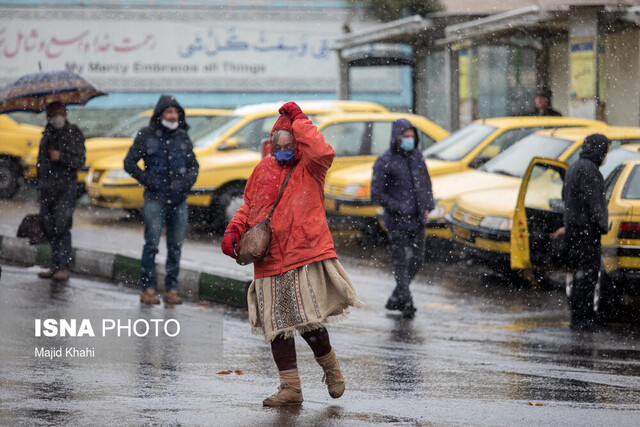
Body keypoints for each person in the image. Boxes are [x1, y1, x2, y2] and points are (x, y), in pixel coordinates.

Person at [221, 102, 359, 407]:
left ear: (297, 144)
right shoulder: (262, 169)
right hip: (268, 258)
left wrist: (299, 119)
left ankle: (331, 369)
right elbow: (249, 207)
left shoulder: (311, 166)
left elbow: (323, 151)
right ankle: (290, 388)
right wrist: (234, 230)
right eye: (278, 145)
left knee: (308, 323)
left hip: (302, 254)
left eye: (289, 144)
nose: (283, 149)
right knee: (277, 327)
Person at [124, 95, 199, 305]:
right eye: (169, 112)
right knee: (152, 244)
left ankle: (171, 289)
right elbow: (129, 163)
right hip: (155, 199)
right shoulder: (146, 135)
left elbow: (194, 166)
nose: (173, 116)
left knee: (175, 245)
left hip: (179, 200)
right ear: (160, 114)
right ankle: (147, 288)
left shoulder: (183, 137)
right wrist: (148, 180)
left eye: (176, 112)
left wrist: (185, 183)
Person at [370, 118, 434, 318]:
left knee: (417, 259)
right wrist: (399, 207)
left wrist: (427, 206)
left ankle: (395, 298)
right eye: (405, 137)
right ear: (396, 138)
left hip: (417, 219)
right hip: (397, 222)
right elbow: (376, 194)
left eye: (411, 136)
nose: (409, 140)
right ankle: (406, 301)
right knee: (401, 263)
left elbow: (425, 184)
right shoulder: (384, 162)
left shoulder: (417, 157)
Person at [551, 133, 611, 329]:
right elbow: (594, 203)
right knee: (588, 275)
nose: (605, 156)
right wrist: (602, 225)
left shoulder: (574, 167)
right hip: (587, 231)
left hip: (575, 229)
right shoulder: (590, 171)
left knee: (580, 274)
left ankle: (580, 317)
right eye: (605, 151)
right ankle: (583, 319)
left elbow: (565, 196)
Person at [36, 102, 86, 282]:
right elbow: (41, 162)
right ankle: (55, 264)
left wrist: (61, 157)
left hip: (65, 188)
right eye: (53, 112)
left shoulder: (73, 133)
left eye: (60, 112)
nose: (57, 116)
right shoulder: (47, 134)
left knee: (62, 226)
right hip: (47, 189)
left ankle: (63, 265)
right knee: (49, 227)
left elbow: (79, 161)